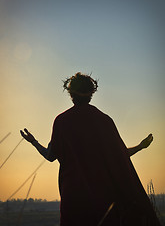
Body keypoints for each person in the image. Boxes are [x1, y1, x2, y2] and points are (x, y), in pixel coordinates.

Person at [20, 72, 161, 226]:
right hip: (104, 199)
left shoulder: (62, 121)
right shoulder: (104, 121)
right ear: (91, 93)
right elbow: (120, 156)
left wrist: (34, 142)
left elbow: (50, 156)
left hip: (74, 199)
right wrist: (140, 147)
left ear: (70, 94)